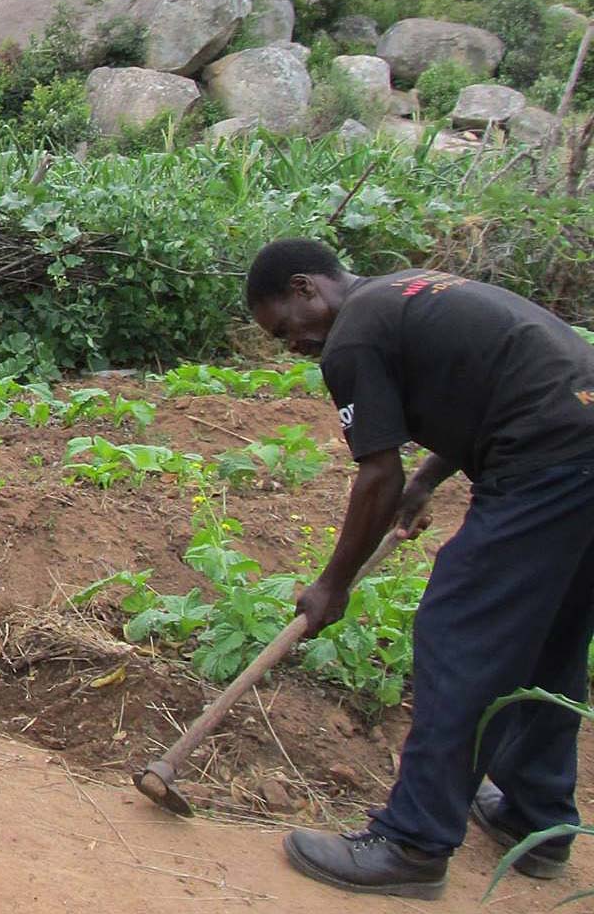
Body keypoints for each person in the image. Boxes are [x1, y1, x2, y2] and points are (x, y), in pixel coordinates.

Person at [246, 238, 594, 900]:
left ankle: (412, 842)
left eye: (285, 329)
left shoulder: (350, 338)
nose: (290, 346)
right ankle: (536, 817)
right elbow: (485, 381)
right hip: (580, 436)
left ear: (304, 289)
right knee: (552, 637)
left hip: (546, 456)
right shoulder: (407, 286)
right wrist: (432, 476)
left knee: (459, 633)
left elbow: (378, 475)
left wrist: (332, 586)